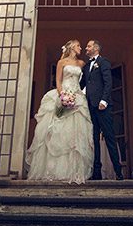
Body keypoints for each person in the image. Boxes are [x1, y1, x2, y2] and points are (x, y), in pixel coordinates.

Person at [25, 39, 94, 182]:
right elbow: (58, 81)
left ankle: (74, 171)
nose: (80, 48)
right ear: (72, 47)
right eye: (78, 46)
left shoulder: (82, 63)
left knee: (76, 132)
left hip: (78, 97)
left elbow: (87, 80)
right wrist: (63, 96)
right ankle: (54, 171)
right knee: (58, 131)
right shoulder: (61, 62)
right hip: (63, 94)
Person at [82, 39, 124, 180]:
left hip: (102, 107)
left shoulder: (104, 62)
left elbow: (108, 82)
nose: (86, 48)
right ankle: (96, 173)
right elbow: (82, 85)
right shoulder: (86, 66)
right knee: (94, 140)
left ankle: (118, 172)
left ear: (96, 48)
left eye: (88, 46)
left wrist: (104, 100)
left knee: (110, 137)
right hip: (90, 107)